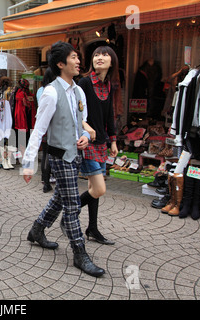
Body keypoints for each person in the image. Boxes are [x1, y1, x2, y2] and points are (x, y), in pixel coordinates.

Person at [22, 41, 105, 277]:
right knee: (72, 205)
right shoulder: (50, 92)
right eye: (73, 57)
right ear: (60, 64)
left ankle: (37, 230)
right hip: (59, 156)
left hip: (76, 154)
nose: (79, 61)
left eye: (78, 57)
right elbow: (38, 130)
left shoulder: (79, 90)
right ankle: (80, 253)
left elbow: (81, 122)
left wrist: (84, 137)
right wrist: (29, 164)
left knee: (60, 198)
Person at [78, 46, 119, 245]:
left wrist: (113, 140)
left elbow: (109, 114)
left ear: (112, 61)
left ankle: (92, 228)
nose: (99, 58)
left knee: (93, 188)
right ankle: (69, 210)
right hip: (88, 142)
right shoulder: (84, 83)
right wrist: (86, 127)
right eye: (96, 55)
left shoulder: (109, 85)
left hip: (102, 141)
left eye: (104, 55)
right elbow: (76, 112)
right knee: (100, 189)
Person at [36, 68, 56, 193]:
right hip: (51, 125)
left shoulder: (40, 90)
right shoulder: (53, 90)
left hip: (43, 124)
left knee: (45, 154)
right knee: (51, 153)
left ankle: (45, 179)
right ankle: (48, 180)